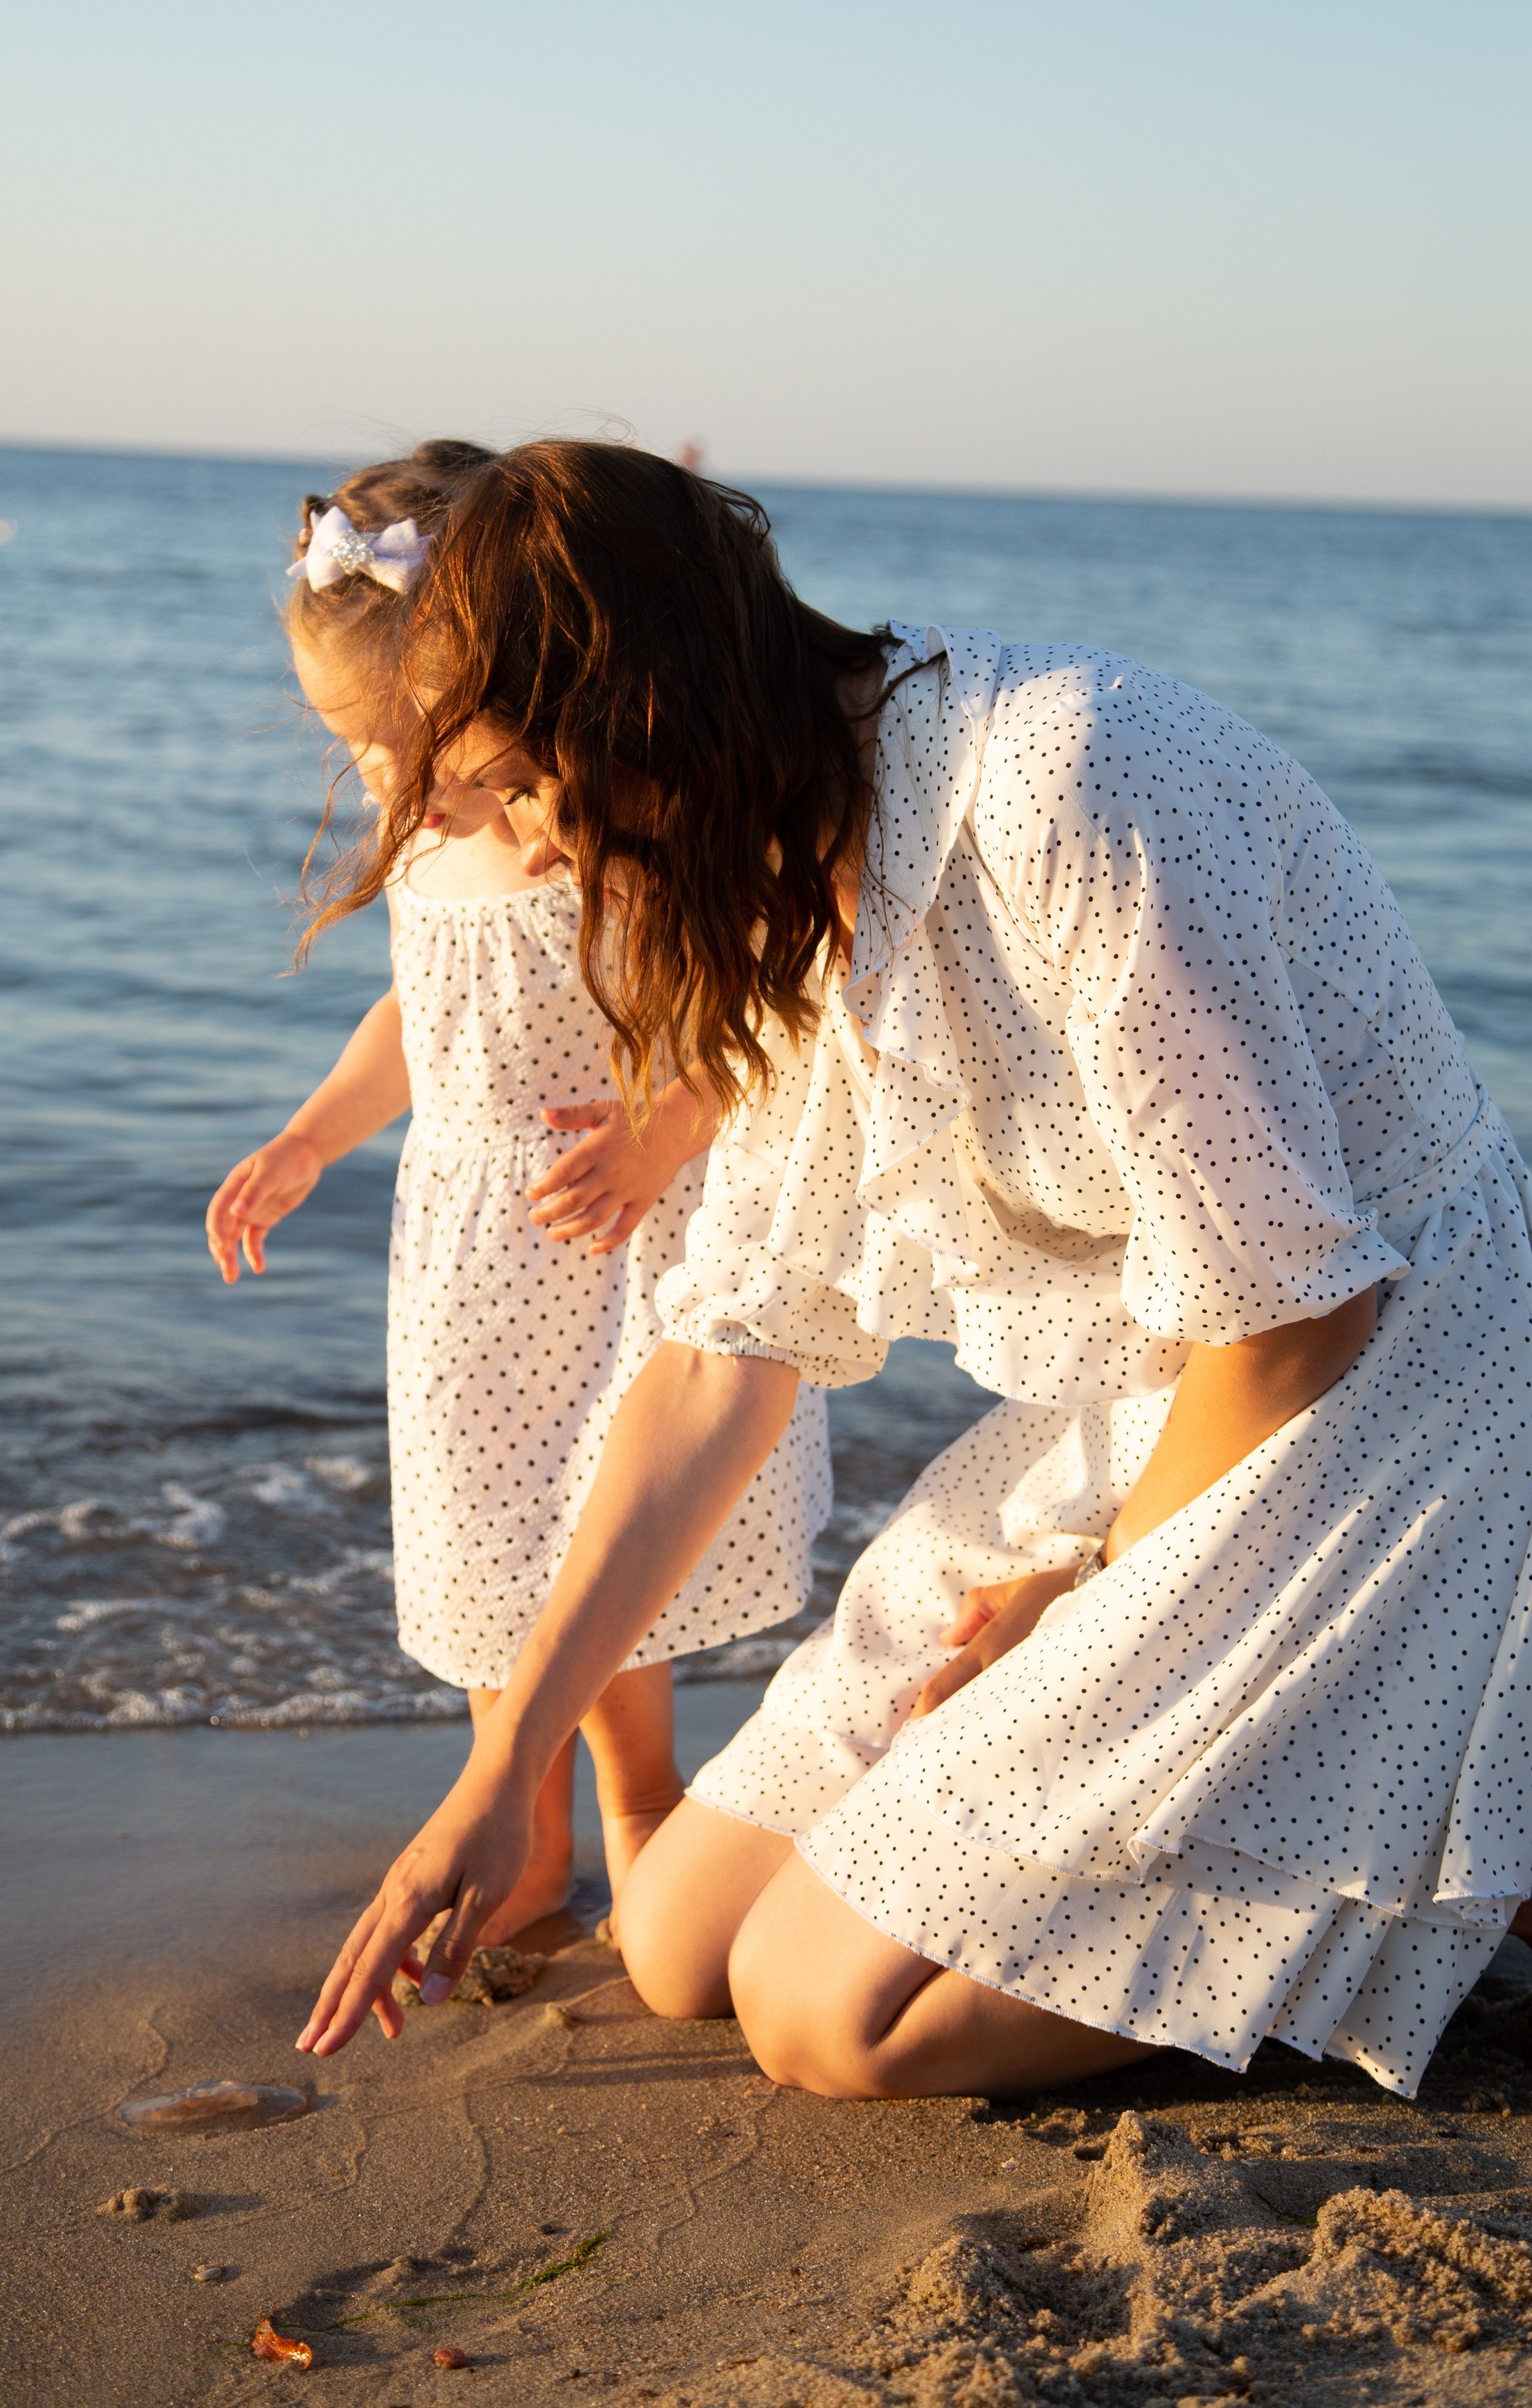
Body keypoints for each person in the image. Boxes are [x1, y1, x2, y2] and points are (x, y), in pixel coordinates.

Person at [293, 437, 1532, 2090]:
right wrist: (492, 1772)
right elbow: (715, 1361)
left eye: (519, 785)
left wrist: (1080, 1594)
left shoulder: (1060, 786)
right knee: (673, 1941)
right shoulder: (780, 874)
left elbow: (1297, 1316)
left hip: (1385, 1399)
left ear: (639, 711)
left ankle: (1456, 1873)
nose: (516, 849)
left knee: (828, 2017)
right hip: (1161, 1401)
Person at [206, 445, 830, 1944]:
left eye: (406, 747)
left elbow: (769, 1018)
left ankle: (637, 1818)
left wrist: (662, 1135)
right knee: (490, 1544)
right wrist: (307, 1138)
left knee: (602, 1543)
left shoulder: (596, 825)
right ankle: (523, 1838)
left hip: (619, 1239)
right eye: (355, 751)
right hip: (475, 1252)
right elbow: (419, 1019)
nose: (389, 785)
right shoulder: (424, 849)